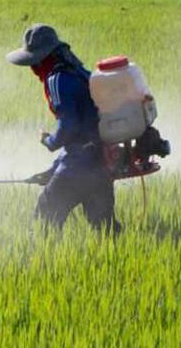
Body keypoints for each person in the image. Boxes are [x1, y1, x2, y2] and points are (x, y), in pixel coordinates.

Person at [6, 24, 121, 233]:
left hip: (79, 166)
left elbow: (69, 128)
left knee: (44, 222)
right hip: (98, 163)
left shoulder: (57, 80)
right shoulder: (79, 73)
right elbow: (82, 134)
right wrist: (52, 170)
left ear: (41, 59)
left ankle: (43, 263)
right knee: (106, 229)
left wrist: (49, 141)